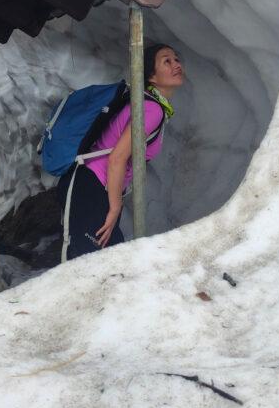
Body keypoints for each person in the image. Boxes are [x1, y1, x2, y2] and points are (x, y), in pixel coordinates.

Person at [57, 43, 184, 261]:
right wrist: (116, 207)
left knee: (109, 263)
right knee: (88, 265)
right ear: (151, 77)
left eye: (176, 59)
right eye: (166, 61)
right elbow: (117, 158)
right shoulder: (151, 109)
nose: (176, 64)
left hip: (94, 188)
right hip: (89, 186)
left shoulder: (152, 106)